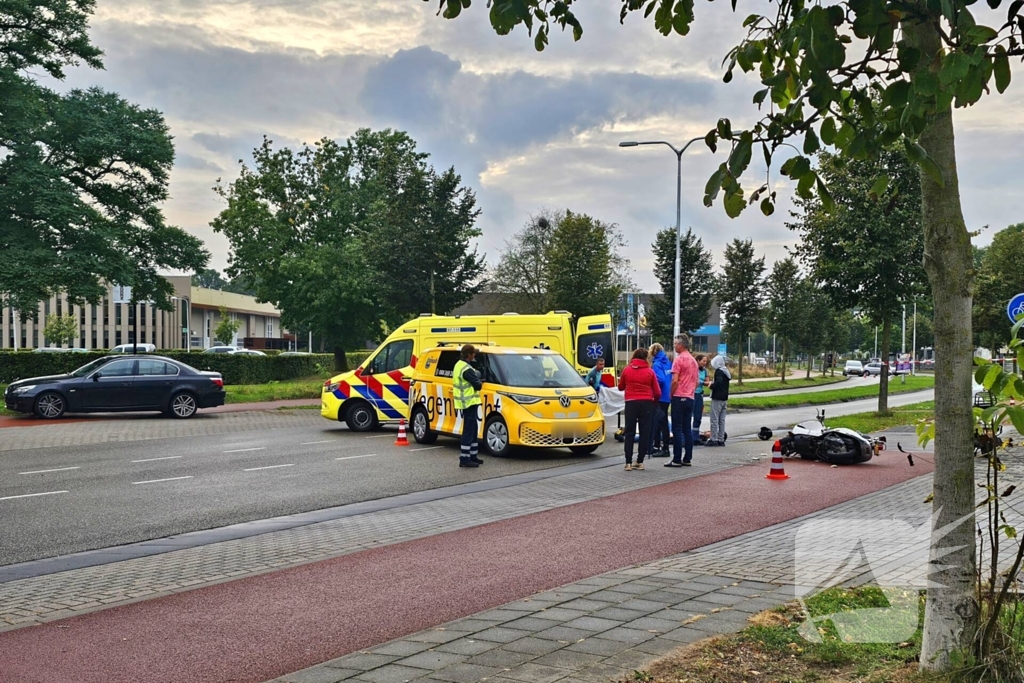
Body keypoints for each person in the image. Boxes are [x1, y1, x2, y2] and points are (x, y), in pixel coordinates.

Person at [618, 347, 661, 471]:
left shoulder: (626, 370)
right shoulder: (650, 372)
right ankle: (640, 461)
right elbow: (657, 392)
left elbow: (621, 387)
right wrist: (654, 402)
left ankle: (628, 463)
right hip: (646, 403)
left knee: (630, 432)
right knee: (644, 432)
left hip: (631, 403)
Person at [666, 334, 699, 467]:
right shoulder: (693, 361)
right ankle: (687, 458)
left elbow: (674, 380)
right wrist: (690, 390)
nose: (674, 346)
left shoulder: (679, 360)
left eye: (675, 344)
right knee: (687, 429)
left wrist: (671, 394)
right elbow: (696, 382)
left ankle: (677, 459)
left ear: (680, 345)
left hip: (679, 397)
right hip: (690, 397)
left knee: (677, 429)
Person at [453, 344, 484, 467]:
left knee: (473, 428)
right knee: (469, 430)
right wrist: (479, 378)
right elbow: (477, 385)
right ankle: (465, 459)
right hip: (469, 402)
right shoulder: (466, 369)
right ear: (469, 355)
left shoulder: (458, 365)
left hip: (466, 402)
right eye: (473, 353)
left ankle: (473, 455)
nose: (475, 355)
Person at [647, 343, 672, 457]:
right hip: (668, 395)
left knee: (660, 422)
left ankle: (663, 448)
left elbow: (660, 379)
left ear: (653, 352)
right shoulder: (667, 362)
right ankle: (658, 446)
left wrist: (652, 383)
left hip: (660, 396)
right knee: (662, 421)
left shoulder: (656, 364)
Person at [708, 354, 732, 447]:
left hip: (717, 398)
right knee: (722, 420)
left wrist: (711, 386)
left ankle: (713, 439)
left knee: (714, 419)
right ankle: (721, 439)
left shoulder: (719, 371)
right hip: (724, 398)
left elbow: (718, 382)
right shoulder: (726, 371)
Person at [692, 354, 710, 443]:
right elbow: (694, 380)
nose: (705, 363)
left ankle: (695, 437)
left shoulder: (704, 371)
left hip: (699, 395)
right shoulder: (693, 369)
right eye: (703, 361)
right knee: (688, 416)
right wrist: (702, 382)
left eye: (706, 361)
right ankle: (688, 436)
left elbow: (707, 382)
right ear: (698, 361)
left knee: (698, 417)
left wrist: (701, 382)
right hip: (692, 394)